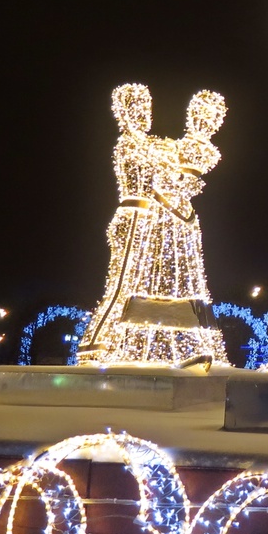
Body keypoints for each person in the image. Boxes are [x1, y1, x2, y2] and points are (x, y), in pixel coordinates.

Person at [76, 84, 227, 368]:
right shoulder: (131, 145)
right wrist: (181, 167)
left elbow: (177, 168)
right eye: (137, 108)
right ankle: (94, 347)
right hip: (134, 216)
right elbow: (163, 176)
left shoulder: (151, 144)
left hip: (147, 218)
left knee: (132, 285)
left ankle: (107, 344)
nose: (144, 114)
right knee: (121, 284)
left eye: (146, 108)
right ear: (124, 113)